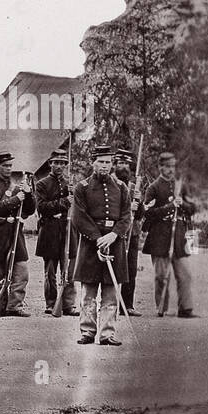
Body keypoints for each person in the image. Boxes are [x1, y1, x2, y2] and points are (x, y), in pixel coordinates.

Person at [70, 144, 132, 345]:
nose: (105, 166)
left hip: (115, 244)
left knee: (111, 293)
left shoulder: (121, 187)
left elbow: (126, 216)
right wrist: (98, 239)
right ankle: (87, 331)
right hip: (91, 244)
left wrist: (113, 236)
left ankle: (107, 333)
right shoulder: (83, 187)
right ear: (93, 163)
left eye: (108, 162)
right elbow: (79, 217)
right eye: (101, 162)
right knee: (88, 292)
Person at [142, 149, 196, 318]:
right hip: (159, 237)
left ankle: (185, 308)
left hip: (178, 236)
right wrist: (170, 207)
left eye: (173, 166)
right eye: (167, 167)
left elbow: (192, 209)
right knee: (161, 276)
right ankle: (162, 308)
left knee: (185, 274)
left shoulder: (181, 186)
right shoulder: (153, 188)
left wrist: (183, 205)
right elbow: (148, 213)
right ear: (160, 167)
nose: (171, 170)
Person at [0, 151, 36, 316]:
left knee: (21, 270)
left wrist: (28, 194)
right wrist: (16, 199)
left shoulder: (17, 186)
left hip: (15, 233)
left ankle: (15, 306)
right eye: (5, 165)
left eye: (10, 166)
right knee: (0, 274)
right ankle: (1, 304)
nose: (8, 168)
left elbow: (30, 210)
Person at [34, 147, 79, 316]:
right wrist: (63, 202)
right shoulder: (42, 184)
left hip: (68, 231)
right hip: (50, 232)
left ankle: (68, 304)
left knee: (69, 271)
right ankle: (51, 302)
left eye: (62, 163)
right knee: (50, 272)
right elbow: (42, 207)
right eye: (56, 163)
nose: (59, 166)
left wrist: (73, 197)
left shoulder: (71, 184)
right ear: (50, 164)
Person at [113, 147, 144, 316]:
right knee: (114, 269)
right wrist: (127, 207)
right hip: (116, 233)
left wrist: (138, 203)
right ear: (115, 165)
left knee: (131, 270)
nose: (124, 166)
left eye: (126, 163)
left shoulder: (134, 187)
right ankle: (111, 303)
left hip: (132, 234)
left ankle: (127, 305)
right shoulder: (111, 184)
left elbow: (140, 215)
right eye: (120, 163)